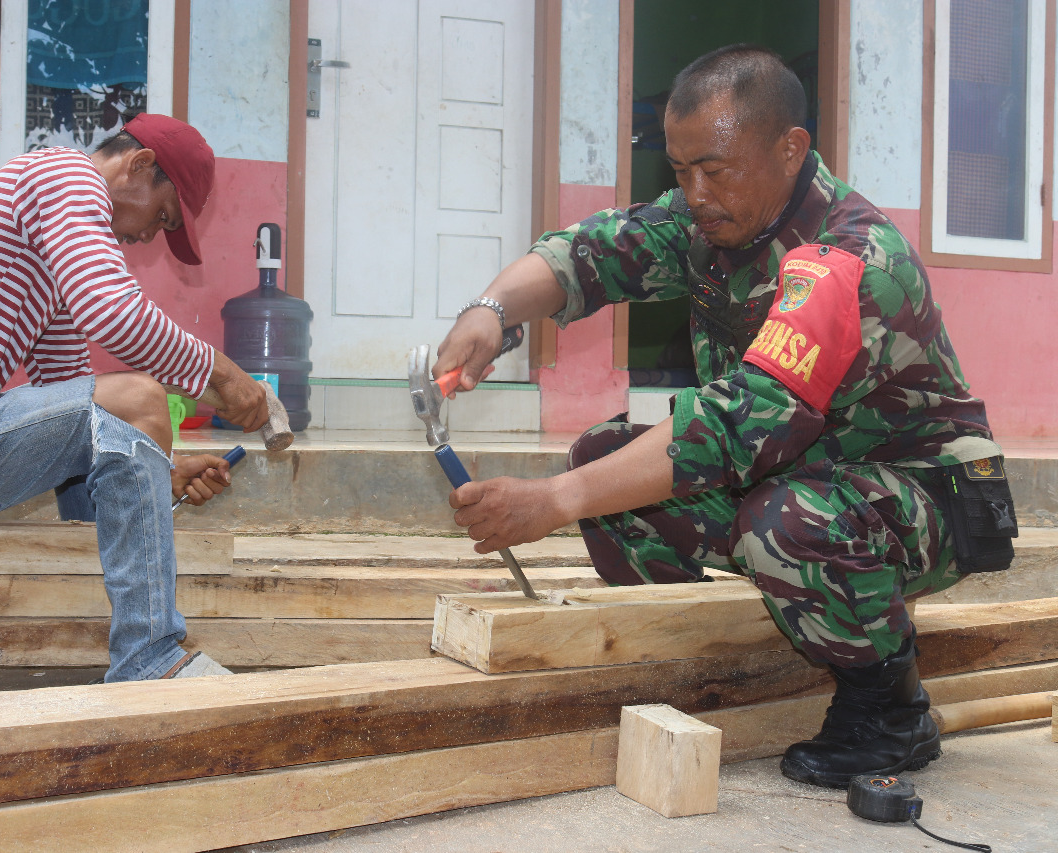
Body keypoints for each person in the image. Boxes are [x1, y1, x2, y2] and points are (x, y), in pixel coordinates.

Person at [433, 45, 1017, 788]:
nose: (695, 193)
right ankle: (711, 654)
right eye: (680, 172)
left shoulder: (850, 258)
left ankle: (891, 709)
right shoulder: (715, 218)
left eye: (714, 169)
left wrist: (549, 502)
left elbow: (737, 423)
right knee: (606, 460)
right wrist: (490, 311)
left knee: (782, 520)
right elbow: (588, 253)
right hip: (797, 472)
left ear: (790, 148)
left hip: (919, 498)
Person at [0, 113, 269, 682]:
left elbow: (70, 392)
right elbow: (112, 314)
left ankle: (141, 639)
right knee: (140, 395)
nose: (147, 237)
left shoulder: (52, 239)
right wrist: (225, 375)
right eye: (162, 216)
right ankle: (151, 658)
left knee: (128, 406)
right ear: (139, 166)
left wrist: (155, 474)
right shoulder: (63, 177)